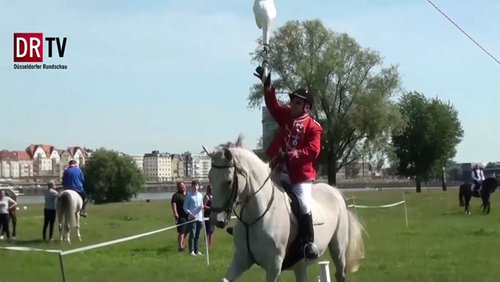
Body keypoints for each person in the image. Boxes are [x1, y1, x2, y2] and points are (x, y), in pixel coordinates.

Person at [254, 65, 323, 260]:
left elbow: (313, 151)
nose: (292, 105)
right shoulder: (286, 115)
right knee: (258, 192)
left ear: (307, 107)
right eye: (292, 101)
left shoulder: (314, 127)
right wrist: (267, 85)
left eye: (297, 103)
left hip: (301, 177)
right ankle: (250, 230)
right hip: (279, 169)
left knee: (303, 205)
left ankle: (309, 243)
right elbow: (273, 105)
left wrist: (292, 155)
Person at [183, 180, 204, 256]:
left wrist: (202, 206)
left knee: (197, 235)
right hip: (192, 218)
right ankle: (191, 251)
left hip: (200, 218)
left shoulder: (200, 195)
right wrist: (190, 214)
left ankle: (197, 250)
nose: (196, 187)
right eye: (194, 185)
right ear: (192, 186)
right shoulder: (189, 195)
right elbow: (185, 207)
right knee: (192, 234)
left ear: (199, 186)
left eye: (197, 185)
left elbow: (201, 205)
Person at [171, 181, 189, 252]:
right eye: (180, 186)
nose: (182, 187)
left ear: (185, 186)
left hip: (188, 216)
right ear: (178, 187)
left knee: (187, 231)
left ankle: (183, 244)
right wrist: (175, 213)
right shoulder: (176, 195)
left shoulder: (187, 195)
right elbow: (173, 204)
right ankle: (180, 246)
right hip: (181, 216)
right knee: (182, 231)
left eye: (183, 185)